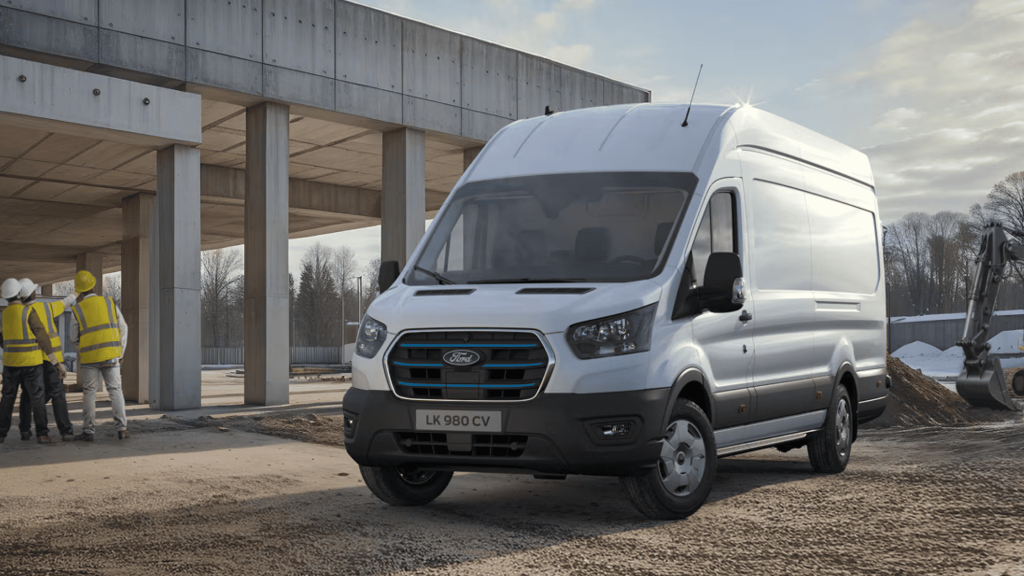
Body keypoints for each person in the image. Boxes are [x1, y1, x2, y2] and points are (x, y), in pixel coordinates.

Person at [0, 277, 66, 444]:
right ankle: (42, 433)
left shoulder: (3, 314)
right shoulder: (28, 312)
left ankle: (1, 433)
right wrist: (55, 362)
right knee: (37, 398)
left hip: (10, 364)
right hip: (32, 363)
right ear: (19, 294)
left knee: (7, 398)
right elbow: (42, 337)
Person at [69, 271, 129, 441]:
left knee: (89, 392)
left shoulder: (76, 310)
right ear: (94, 286)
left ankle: (88, 432)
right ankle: (122, 429)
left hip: (89, 358)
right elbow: (123, 328)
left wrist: (84, 351)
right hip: (111, 355)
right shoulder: (109, 303)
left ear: (79, 291)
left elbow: (73, 337)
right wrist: (120, 352)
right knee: (115, 390)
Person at [17, 278, 78, 442]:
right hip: (51, 360)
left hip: (29, 361)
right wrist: (76, 292)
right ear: (34, 293)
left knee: (28, 396)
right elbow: (65, 302)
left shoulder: (19, 313)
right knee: (58, 394)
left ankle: (26, 431)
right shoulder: (46, 307)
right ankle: (66, 431)